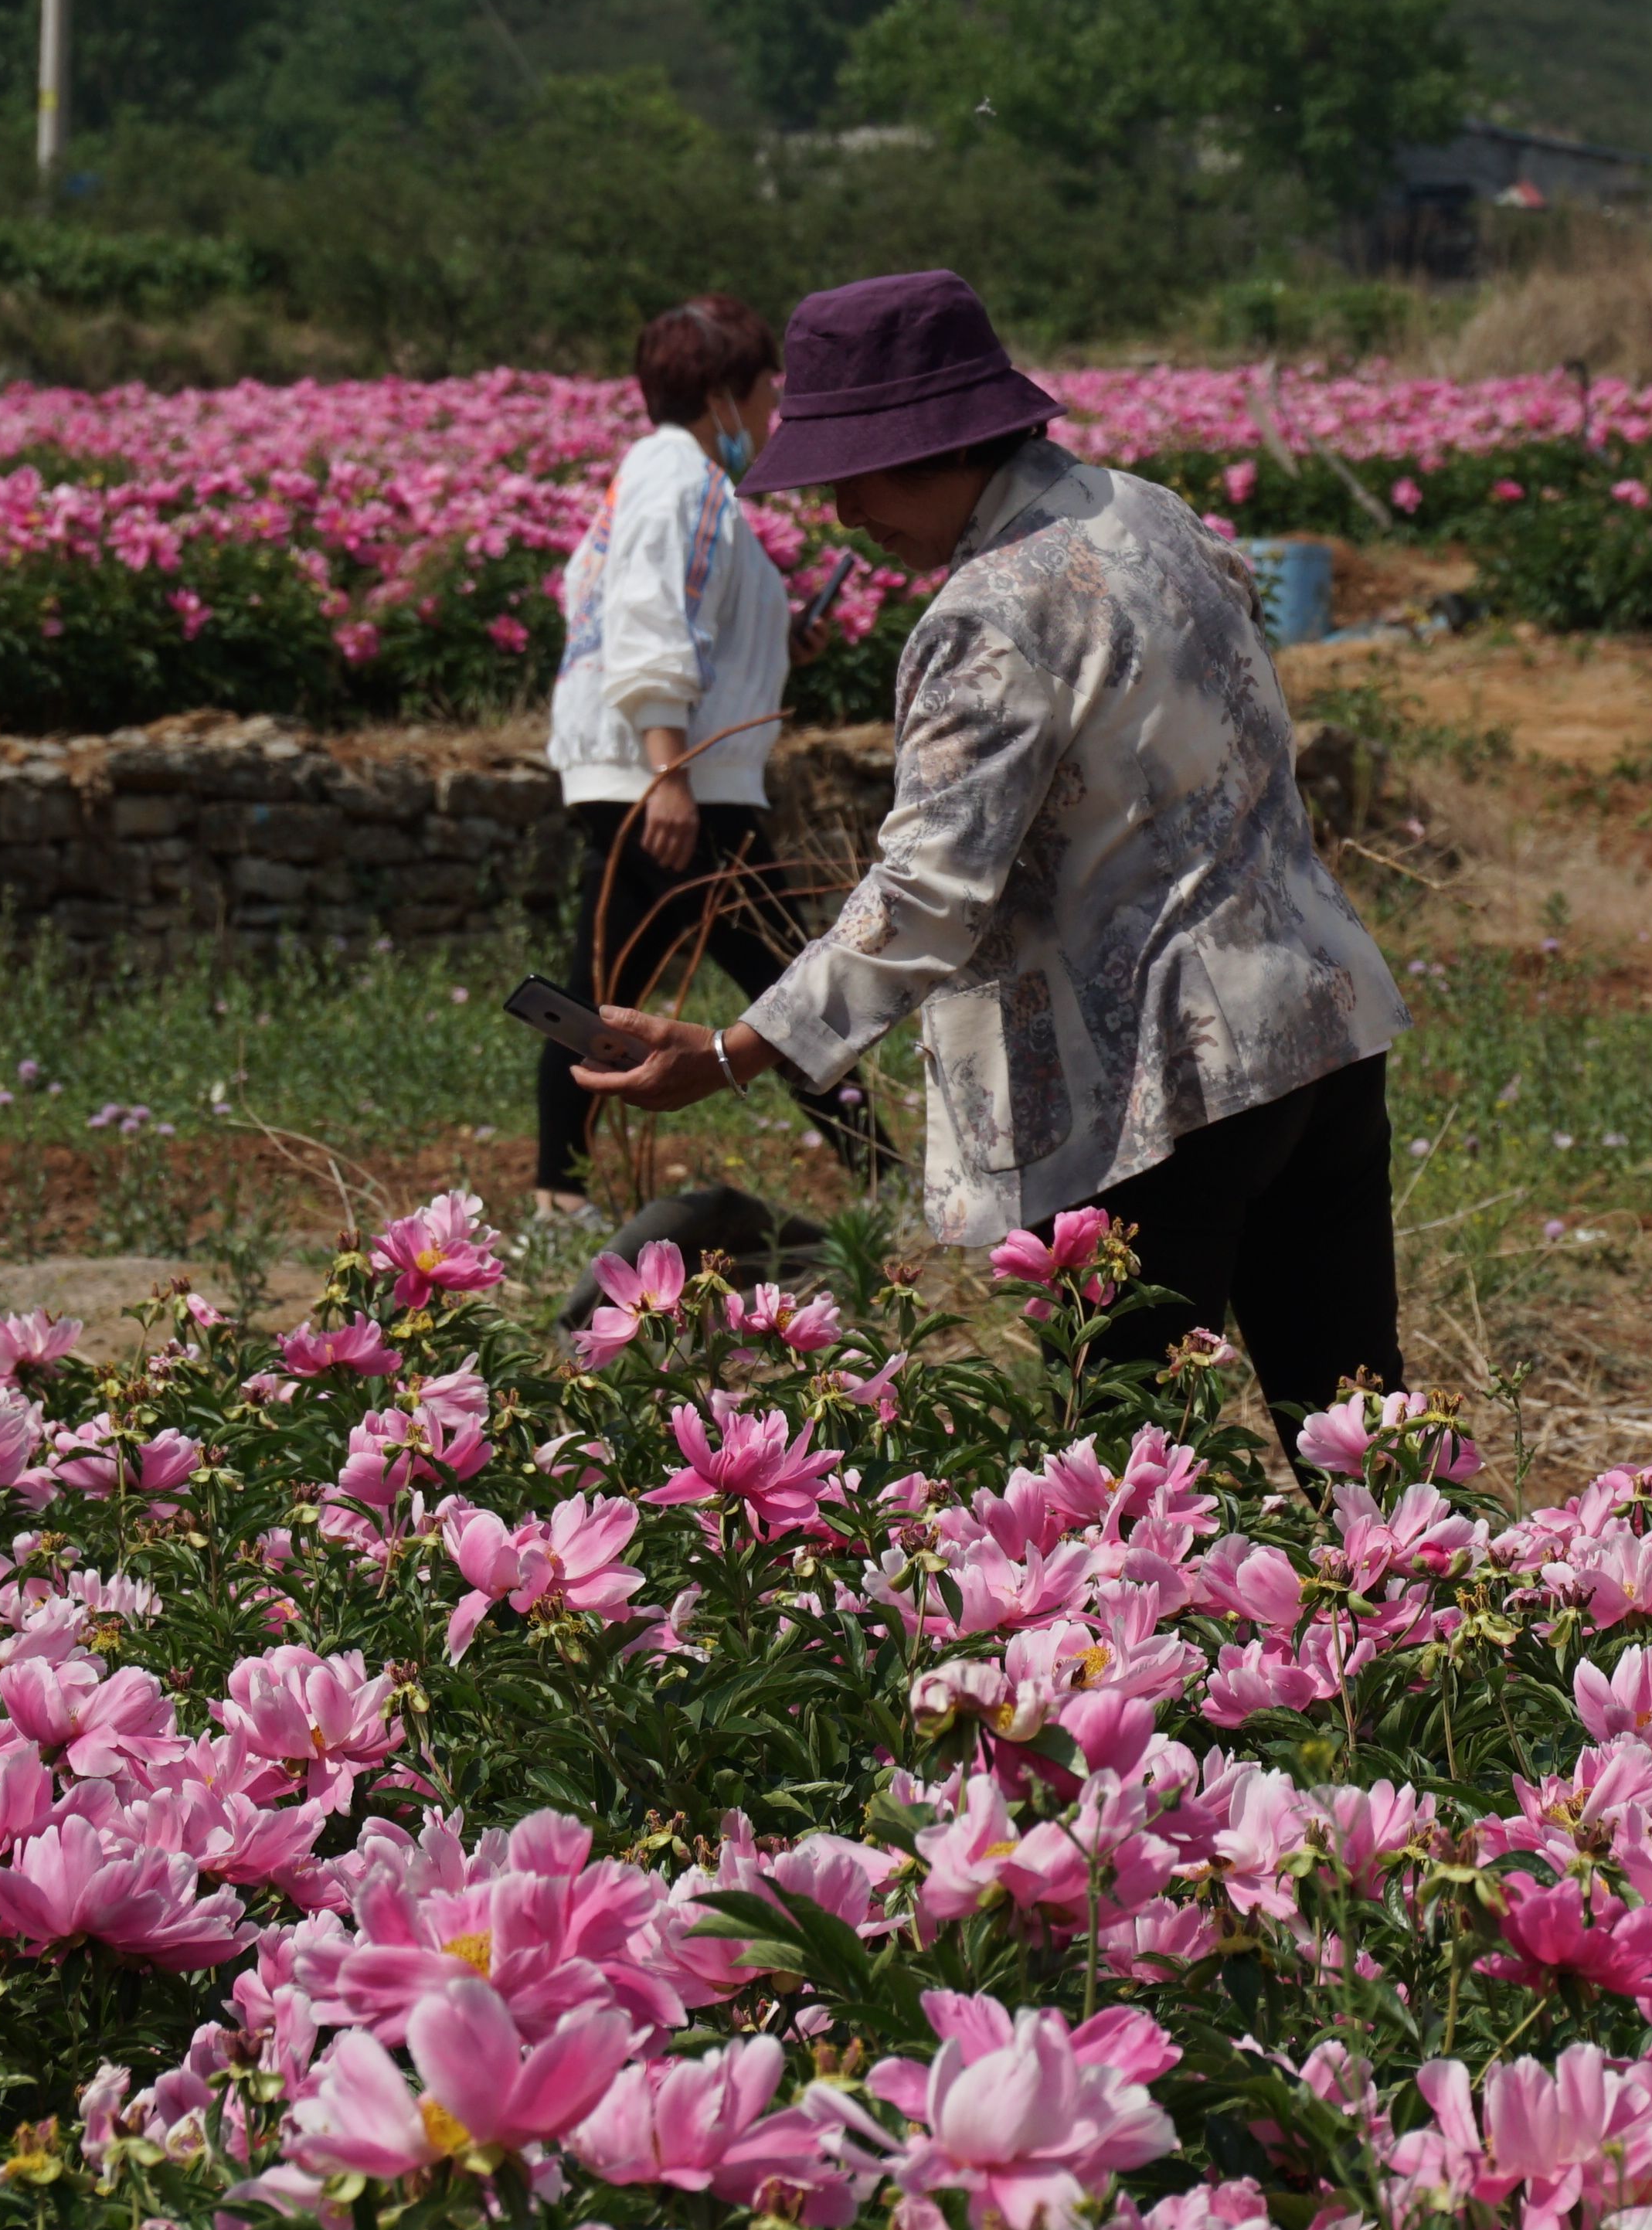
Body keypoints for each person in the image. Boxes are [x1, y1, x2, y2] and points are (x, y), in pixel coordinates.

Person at [572, 269, 1409, 1453]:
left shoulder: (990, 612)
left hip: (1162, 1086)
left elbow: (928, 891)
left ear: (922, 449)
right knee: (1364, 1447)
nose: (844, 514)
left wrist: (732, 1050)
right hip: (1316, 1027)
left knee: (1123, 1473)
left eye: (847, 477)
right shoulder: (1148, 513)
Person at [535, 293, 896, 1213]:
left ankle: (558, 1193)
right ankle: (885, 1180)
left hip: (652, 772)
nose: (775, 409)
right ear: (726, 393)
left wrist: (783, 644)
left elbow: (667, 618)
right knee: (788, 982)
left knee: (602, 984)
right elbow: (649, 623)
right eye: (768, 388)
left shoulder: (660, 479)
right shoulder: (682, 482)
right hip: (679, 781)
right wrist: (669, 773)